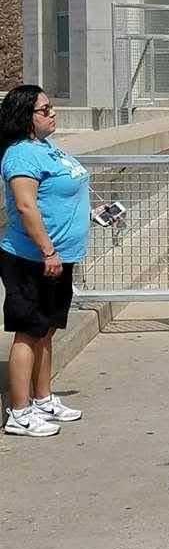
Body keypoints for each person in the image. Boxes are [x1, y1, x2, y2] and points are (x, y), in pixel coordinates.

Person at [0, 86, 94, 436]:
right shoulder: (20, 155)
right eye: (44, 109)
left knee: (47, 329)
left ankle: (43, 399)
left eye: (51, 107)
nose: (52, 113)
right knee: (28, 332)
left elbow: (61, 193)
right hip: (31, 258)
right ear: (26, 117)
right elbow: (25, 206)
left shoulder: (47, 148)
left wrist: (93, 211)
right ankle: (19, 412)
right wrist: (47, 251)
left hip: (59, 258)